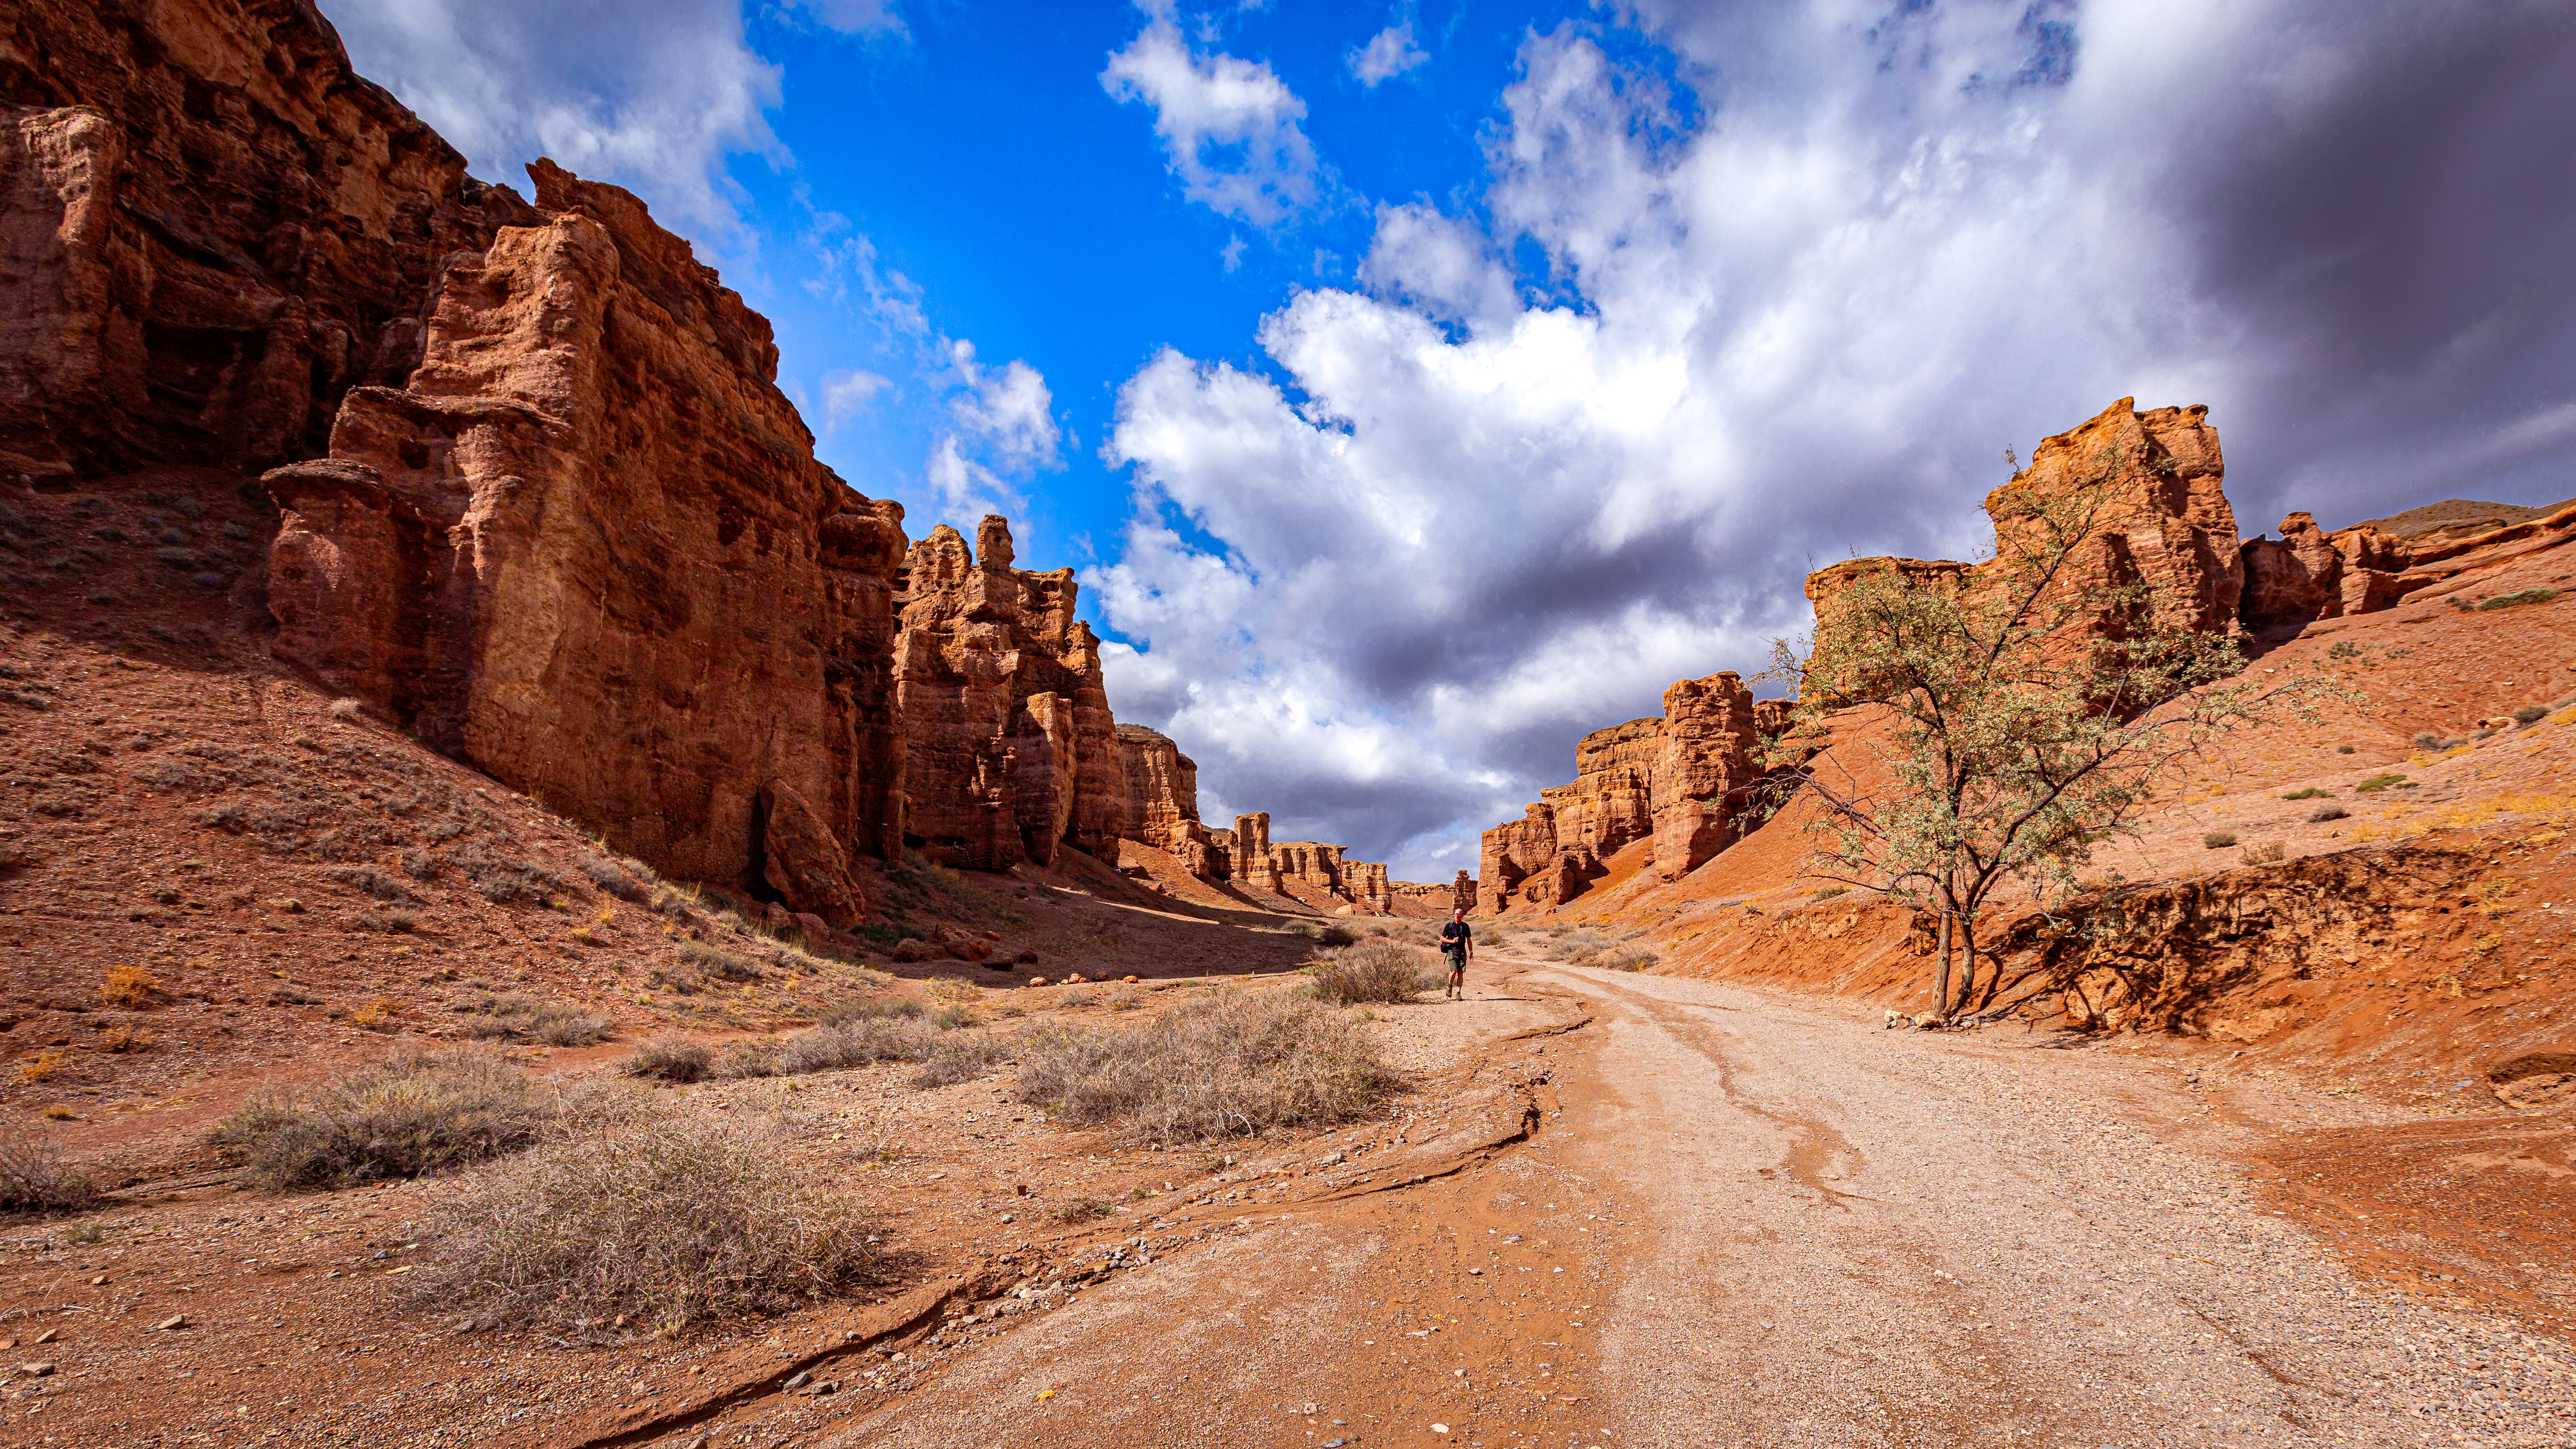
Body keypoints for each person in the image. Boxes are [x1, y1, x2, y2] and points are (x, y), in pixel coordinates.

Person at [1439, 906, 1473, 1000]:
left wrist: (1471, 953)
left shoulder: (1465, 926)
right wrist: (1452, 941)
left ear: (1462, 916)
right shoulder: (1449, 925)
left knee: (1461, 973)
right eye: (1455, 914)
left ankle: (1459, 993)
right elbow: (1442, 938)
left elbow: (1469, 940)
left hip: (1462, 952)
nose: (1457, 916)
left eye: (1459, 914)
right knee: (1454, 971)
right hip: (1452, 951)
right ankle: (1450, 986)